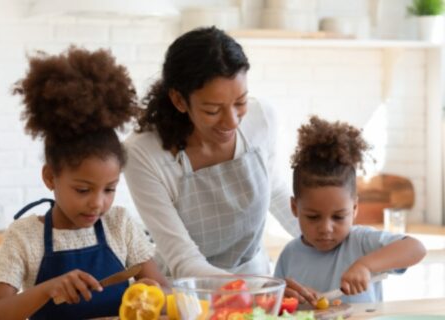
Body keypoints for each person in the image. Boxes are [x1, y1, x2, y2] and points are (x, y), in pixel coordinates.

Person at [123, 26, 315, 303]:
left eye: (240, 102)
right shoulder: (143, 153)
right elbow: (183, 258)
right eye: (212, 110)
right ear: (179, 100)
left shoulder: (262, 118)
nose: (232, 122)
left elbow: (272, 189)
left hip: (257, 284)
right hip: (188, 298)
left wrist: (329, 238)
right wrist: (258, 289)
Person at [0, 47, 168, 320]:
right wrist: (48, 289)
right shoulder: (24, 237)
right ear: (50, 178)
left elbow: (164, 290)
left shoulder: (120, 225)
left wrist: (151, 291)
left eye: (110, 189)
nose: (98, 202)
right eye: (83, 189)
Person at [274, 116, 426, 303]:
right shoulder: (289, 255)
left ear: (354, 209)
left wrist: (365, 265)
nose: (326, 228)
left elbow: (416, 249)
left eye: (338, 217)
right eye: (313, 217)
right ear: (294, 207)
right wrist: (286, 299)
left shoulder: (362, 243)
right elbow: (276, 305)